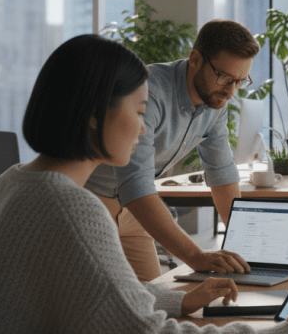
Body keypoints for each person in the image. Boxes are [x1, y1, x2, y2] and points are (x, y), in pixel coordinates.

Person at [0, 35, 288, 334]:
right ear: (94, 114)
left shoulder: (9, 183)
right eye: (139, 113)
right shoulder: (72, 209)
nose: (143, 132)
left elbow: (95, 295)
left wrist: (182, 299)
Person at [86, 19, 260, 281]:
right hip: (91, 204)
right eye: (224, 77)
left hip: (134, 212)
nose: (230, 92)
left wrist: (247, 250)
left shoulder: (216, 101)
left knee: (155, 307)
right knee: (102, 308)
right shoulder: (149, 92)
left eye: (240, 81)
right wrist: (196, 256)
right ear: (195, 59)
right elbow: (135, 183)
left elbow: (222, 172)